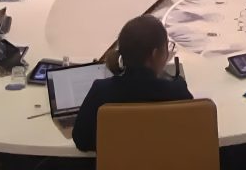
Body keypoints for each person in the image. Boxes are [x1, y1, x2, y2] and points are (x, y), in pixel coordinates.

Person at [72, 15, 192, 152]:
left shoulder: (101, 92)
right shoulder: (177, 92)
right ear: (155, 54)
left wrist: (123, 145)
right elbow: (194, 135)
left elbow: (81, 140)